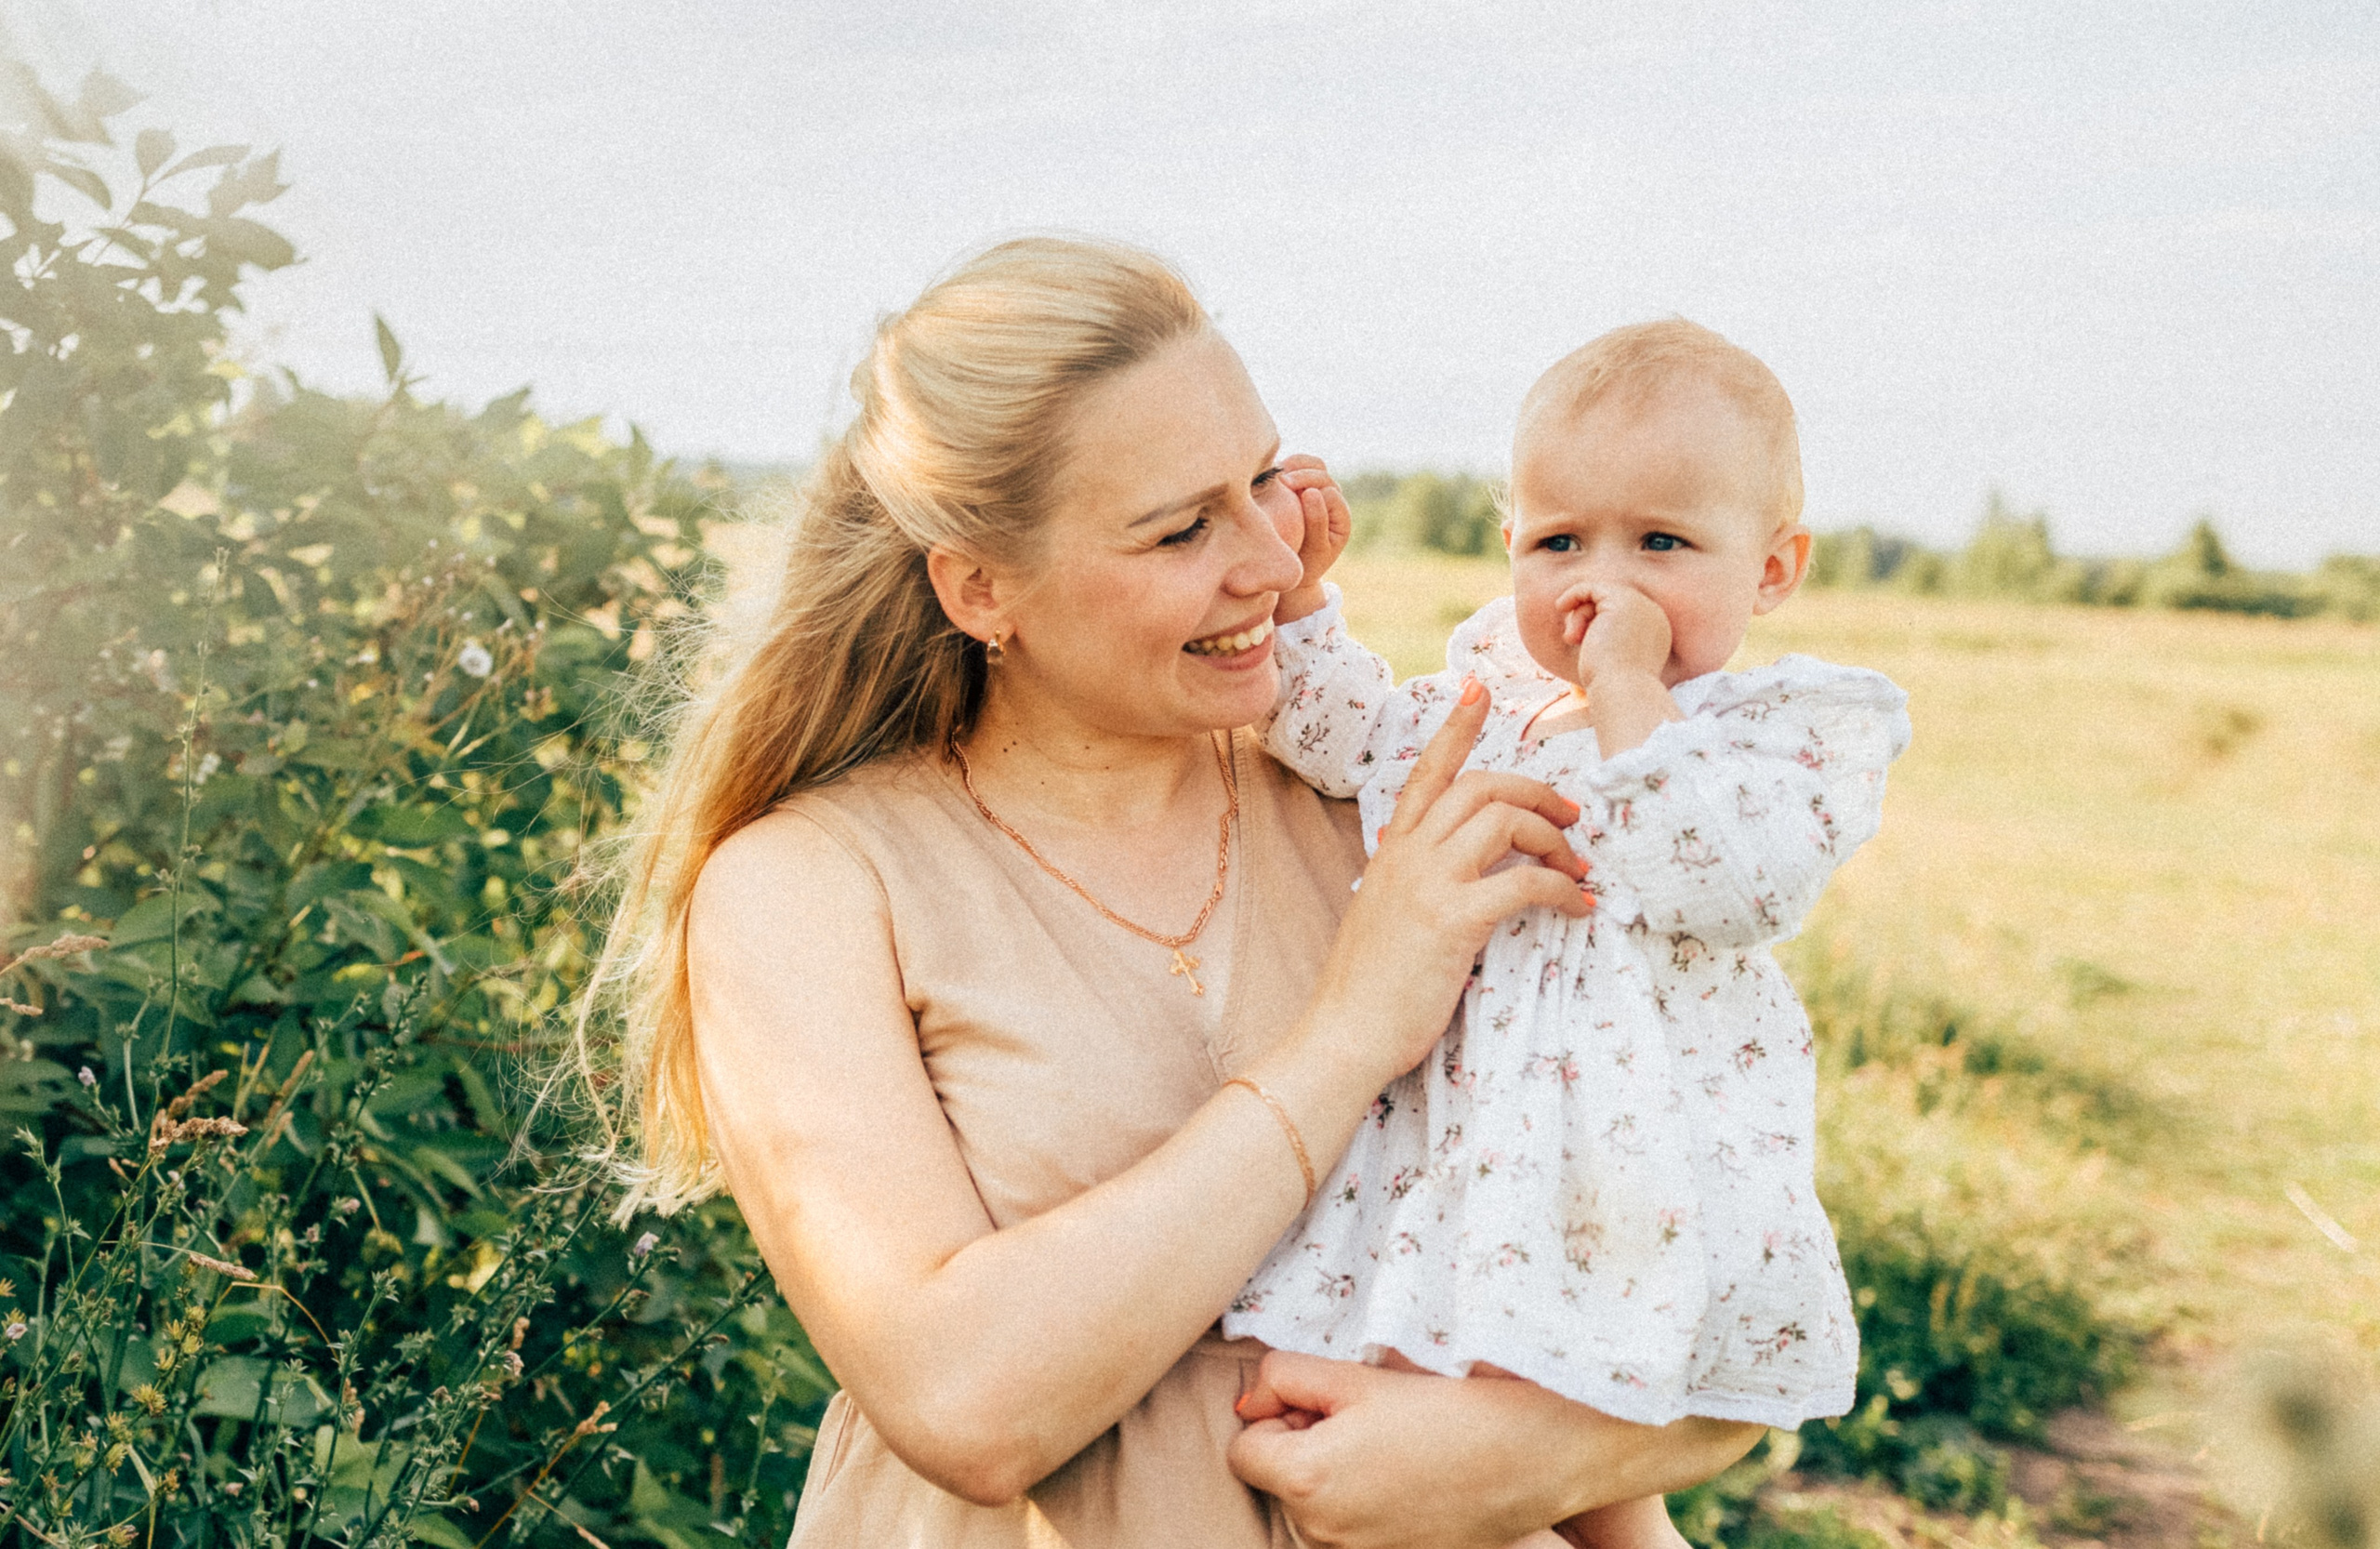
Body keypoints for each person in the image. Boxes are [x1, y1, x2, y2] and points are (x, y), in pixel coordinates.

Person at [587, 239, 1767, 1547]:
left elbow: (1723, 1295)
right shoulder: (810, 887)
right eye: (1182, 527)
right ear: (980, 587)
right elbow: (962, 1401)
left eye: (1264, 481)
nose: (1271, 559)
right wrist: (1349, 1035)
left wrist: (1509, 1457)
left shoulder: (1386, 790)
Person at [1221, 321, 1911, 1547]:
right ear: (1510, 550)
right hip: (1471, 1150)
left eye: (1661, 543)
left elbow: (1726, 880)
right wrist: (1303, 597)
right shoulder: (1494, 707)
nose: (1603, 584)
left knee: (1579, 1436)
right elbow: (1345, 738)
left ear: (1772, 568)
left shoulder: (1768, 736)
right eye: (1559, 542)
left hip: (1634, 1162)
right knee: (1470, 1418)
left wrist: (1631, 692)